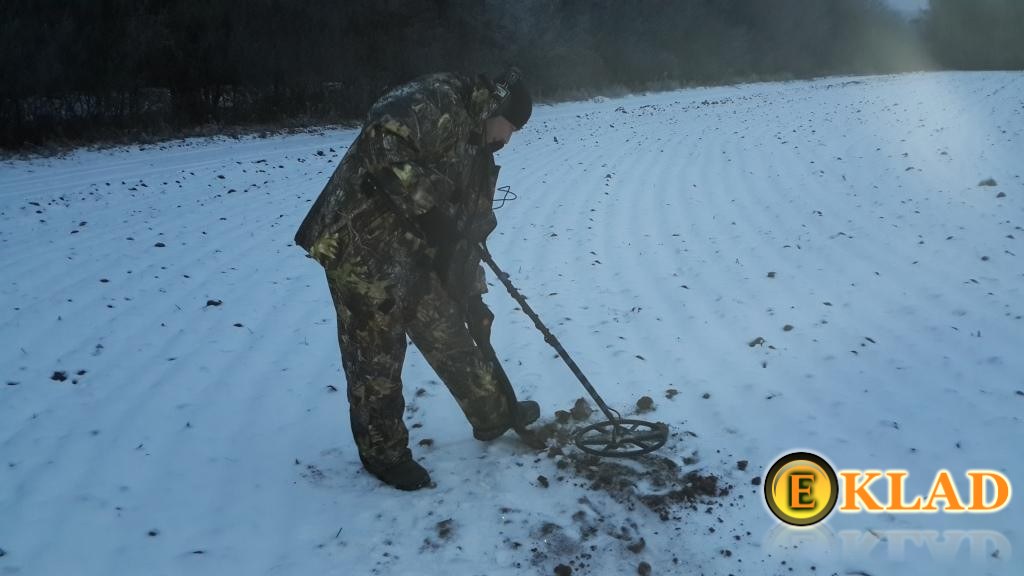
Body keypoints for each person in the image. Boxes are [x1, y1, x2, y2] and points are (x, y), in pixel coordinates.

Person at [294, 68, 538, 490]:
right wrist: (430, 209)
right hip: (360, 248)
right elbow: (382, 138)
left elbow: (468, 230)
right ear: (494, 109)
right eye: (510, 127)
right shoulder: (439, 98)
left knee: (453, 335)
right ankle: (383, 455)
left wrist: (471, 294)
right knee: (377, 358)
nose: (508, 139)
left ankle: (495, 413)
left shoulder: (478, 150)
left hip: (414, 255)